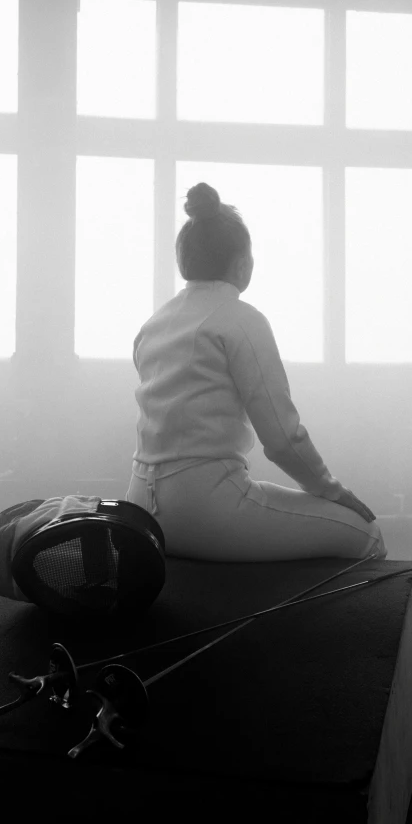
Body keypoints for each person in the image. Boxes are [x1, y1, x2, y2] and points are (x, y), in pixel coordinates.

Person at [126, 182, 387, 562]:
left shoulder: (153, 324)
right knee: (366, 534)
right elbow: (282, 438)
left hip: (141, 508)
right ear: (242, 264)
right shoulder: (242, 320)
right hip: (206, 507)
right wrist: (331, 491)